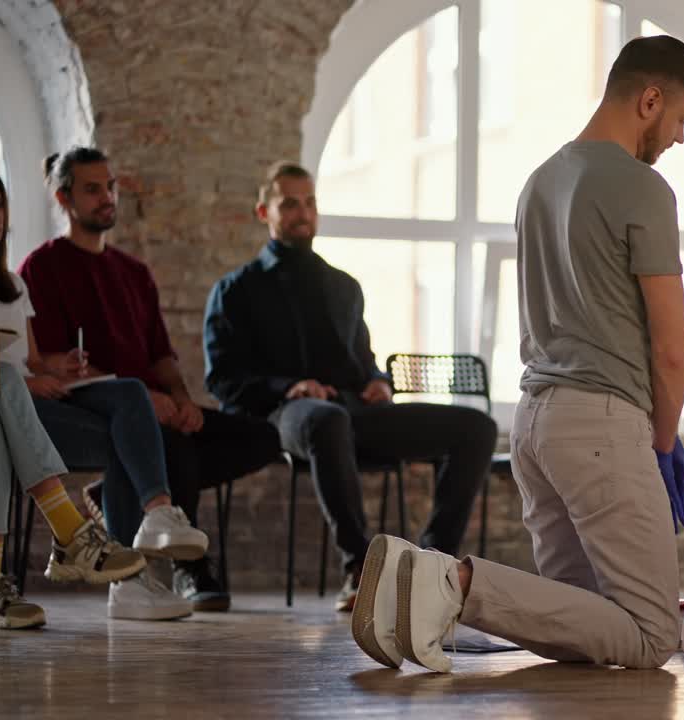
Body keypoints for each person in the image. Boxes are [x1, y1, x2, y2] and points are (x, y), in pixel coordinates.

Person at [349, 35, 684, 672]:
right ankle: (447, 582)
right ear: (650, 100)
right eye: (681, 119)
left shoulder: (540, 180)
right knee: (652, 636)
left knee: (576, 615)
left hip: (537, 421)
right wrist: (664, 440)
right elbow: (671, 347)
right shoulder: (643, 188)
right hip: (602, 424)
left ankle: (423, 586)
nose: (679, 138)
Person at [203, 161, 499, 612]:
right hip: (286, 415)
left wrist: (379, 383)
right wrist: (291, 388)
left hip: (354, 412)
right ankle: (360, 569)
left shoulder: (344, 286)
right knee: (326, 419)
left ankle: (431, 563)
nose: (304, 212)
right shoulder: (235, 291)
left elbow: (364, 362)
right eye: (290, 204)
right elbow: (223, 378)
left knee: (475, 426)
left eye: (310, 203)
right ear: (264, 212)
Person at [18, 148, 280, 613]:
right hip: (91, 405)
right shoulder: (41, 268)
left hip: (150, 403)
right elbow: (53, 363)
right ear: (64, 198)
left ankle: (140, 498)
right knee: (160, 438)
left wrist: (181, 399)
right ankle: (185, 565)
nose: (108, 197)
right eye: (93, 189)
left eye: (111, 186)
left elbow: (161, 354)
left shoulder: (134, 272)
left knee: (261, 436)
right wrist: (146, 399)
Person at [0, 172, 147, 627]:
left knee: (2, 400)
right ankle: (70, 532)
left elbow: (33, 360)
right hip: (11, 392)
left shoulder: (11, 286)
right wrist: (22, 379)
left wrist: (59, 368)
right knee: (4, 380)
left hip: (6, 400)